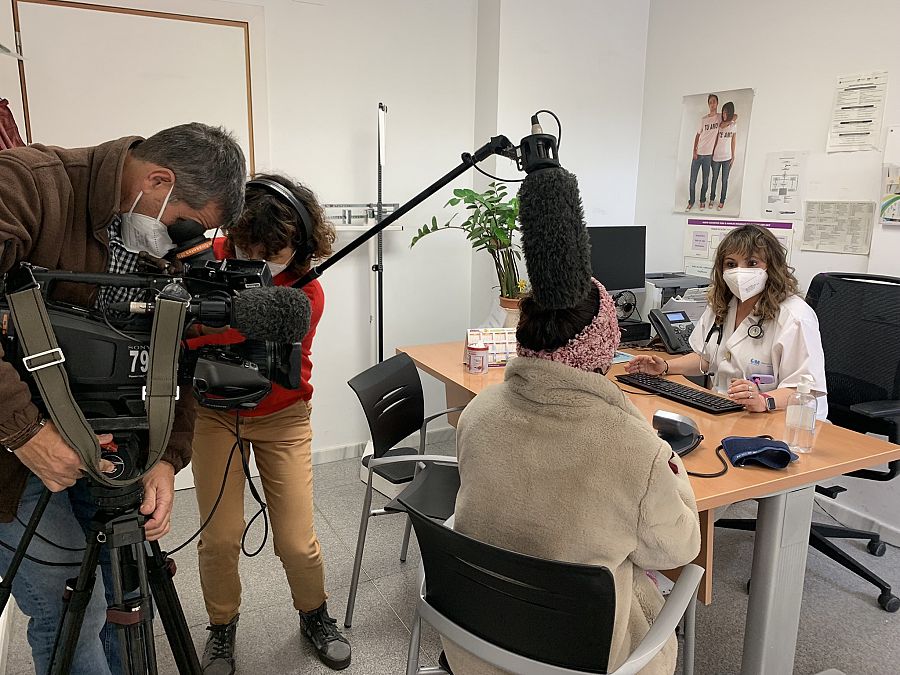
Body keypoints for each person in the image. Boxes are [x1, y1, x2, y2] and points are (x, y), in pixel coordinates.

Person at [0, 123, 246, 675]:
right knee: (69, 603)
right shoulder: (28, 185)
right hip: (13, 454)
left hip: (111, 448)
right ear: (157, 181)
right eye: (187, 224)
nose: (183, 242)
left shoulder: (165, 247)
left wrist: (166, 456)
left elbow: (175, 352)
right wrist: (25, 432)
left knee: (129, 595)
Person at [447, 169, 701, 675]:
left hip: (473, 644)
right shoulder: (637, 451)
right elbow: (678, 547)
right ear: (606, 346)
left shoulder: (478, 413)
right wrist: (667, 462)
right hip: (581, 659)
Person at [185, 174, 351, 674]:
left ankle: (315, 614)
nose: (257, 260)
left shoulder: (307, 292)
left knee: (296, 540)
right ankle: (221, 625)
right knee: (219, 537)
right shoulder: (207, 261)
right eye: (246, 249)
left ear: (298, 243)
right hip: (216, 414)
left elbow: (230, 339)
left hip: (282, 416)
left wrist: (219, 318)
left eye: (270, 253)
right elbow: (185, 340)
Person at [627, 224, 828, 419]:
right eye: (731, 264)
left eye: (752, 263)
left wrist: (763, 400)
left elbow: (804, 389)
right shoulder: (723, 305)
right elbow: (706, 358)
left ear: (772, 266)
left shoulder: (795, 317)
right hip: (726, 410)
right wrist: (665, 367)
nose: (740, 272)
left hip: (782, 420)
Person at [686, 93, 720, 211]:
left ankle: (702, 201)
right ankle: (691, 201)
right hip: (698, 153)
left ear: (717, 103)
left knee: (705, 180)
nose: (712, 104)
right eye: (710, 102)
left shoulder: (720, 117)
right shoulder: (704, 119)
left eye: (714, 101)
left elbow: (734, 116)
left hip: (708, 156)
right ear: (708, 105)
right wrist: (694, 150)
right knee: (692, 180)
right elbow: (697, 135)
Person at [710, 101, 737, 210]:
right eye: (723, 112)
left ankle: (722, 201)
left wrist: (733, 156)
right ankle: (712, 198)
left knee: (724, 180)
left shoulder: (733, 125)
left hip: (727, 157)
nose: (724, 115)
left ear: (730, 113)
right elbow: (715, 140)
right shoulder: (719, 124)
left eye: (726, 113)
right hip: (716, 156)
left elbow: (733, 141)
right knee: (714, 179)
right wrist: (711, 154)